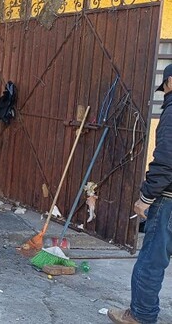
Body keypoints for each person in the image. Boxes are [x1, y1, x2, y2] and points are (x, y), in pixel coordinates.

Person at [108, 64, 172, 324]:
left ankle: (141, 316)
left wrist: (146, 196)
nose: (165, 92)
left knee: (151, 261)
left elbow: (167, 159)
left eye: (165, 87)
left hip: (168, 201)